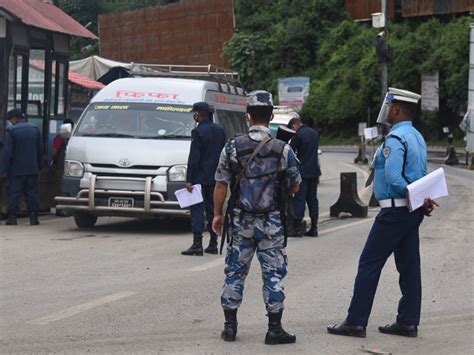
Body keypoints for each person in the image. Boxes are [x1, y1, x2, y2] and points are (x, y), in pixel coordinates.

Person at [327, 88, 438, 338]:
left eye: (389, 107)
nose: (386, 111)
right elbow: (419, 177)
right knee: (410, 267)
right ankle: (408, 321)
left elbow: (394, 178)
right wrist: (421, 199)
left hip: (394, 212)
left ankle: (355, 321)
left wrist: (412, 195)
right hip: (411, 211)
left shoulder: (395, 139)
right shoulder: (417, 137)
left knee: (369, 264)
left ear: (396, 109)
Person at [212, 91, 301, 345]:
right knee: (273, 274)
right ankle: (274, 329)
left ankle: (230, 327)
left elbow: (220, 184)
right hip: (271, 222)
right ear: (271, 116)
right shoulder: (283, 150)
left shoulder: (231, 147)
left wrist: (218, 214)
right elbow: (296, 185)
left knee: (235, 273)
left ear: (248, 116)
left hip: (240, 222)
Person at [181, 102, 226, 256]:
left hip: (200, 177)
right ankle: (213, 243)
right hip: (216, 177)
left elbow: (194, 158)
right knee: (213, 209)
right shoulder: (220, 130)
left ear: (199, 114)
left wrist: (189, 179)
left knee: (197, 210)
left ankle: (197, 244)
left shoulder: (198, 131)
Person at [0, 108, 43, 226]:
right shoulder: (35, 129)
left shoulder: (11, 131)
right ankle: (34, 218)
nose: (10, 121)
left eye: (10, 119)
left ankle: (12, 218)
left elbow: (7, 152)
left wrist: (3, 169)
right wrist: (39, 166)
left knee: (14, 193)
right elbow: (40, 150)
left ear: (14, 118)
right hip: (32, 169)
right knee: (31, 193)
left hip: (16, 170)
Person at [287, 117, 321, 237]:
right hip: (315, 171)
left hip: (303, 173)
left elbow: (291, 153)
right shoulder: (315, 133)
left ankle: (297, 228)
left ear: (294, 126)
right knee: (313, 199)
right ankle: (314, 227)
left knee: (300, 199)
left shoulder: (298, 135)